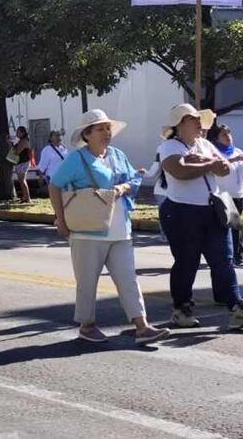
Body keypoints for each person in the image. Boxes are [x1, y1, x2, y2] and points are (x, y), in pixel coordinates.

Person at [49, 109, 170, 344]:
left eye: (107, 128)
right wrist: (61, 220)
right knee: (87, 282)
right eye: (100, 129)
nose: (106, 132)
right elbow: (55, 185)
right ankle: (87, 325)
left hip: (119, 228)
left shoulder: (116, 154)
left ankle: (142, 326)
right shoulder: (77, 159)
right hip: (87, 231)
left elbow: (133, 178)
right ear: (87, 134)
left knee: (128, 279)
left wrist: (124, 187)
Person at [158, 104, 243, 328]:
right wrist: (209, 164)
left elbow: (225, 167)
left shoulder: (205, 144)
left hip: (213, 210)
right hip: (182, 212)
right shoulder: (169, 146)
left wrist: (203, 162)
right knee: (187, 262)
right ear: (180, 124)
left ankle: (237, 307)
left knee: (224, 261)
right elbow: (179, 171)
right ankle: (182, 308)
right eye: (193, 119)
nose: (199, 122)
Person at [213, 124, 243, 269]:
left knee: (234, 226)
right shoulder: (216, 153)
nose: (228, 137)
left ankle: (232, 255)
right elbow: (218, 167)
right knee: (233, 226)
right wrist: (234, 160)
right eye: (223, 135)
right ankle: (236, 257)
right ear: (217, 139)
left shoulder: (237, 151)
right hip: (224, 194)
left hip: (239, 194)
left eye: (229, 134)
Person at [10, 126, 33, 204]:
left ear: (22, 132)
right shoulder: (21, 140)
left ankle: (28, 198)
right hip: (20, 162)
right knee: (21, 180)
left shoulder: (24, 141)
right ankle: (25, 197)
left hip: (23, 162)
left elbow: (17, 152)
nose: (16, 133)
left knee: (22, 180)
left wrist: (10, 144)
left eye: (18, 132)